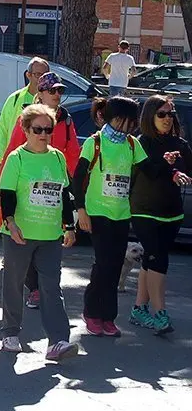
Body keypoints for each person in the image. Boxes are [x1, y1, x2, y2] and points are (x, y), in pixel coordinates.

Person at [0, 104, 79, 360]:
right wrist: (11, 223)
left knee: (51, 287)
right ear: (25, 129)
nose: (43, 134)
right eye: (37, 129)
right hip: (19, 233)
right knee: (14, 283)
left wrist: (70, 226)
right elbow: (7, 194)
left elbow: (65, 194)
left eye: (48, 129)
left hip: (50, 234)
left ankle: (58, 341)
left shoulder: (57, 157)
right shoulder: (17, 158)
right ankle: (10, 332)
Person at [74, 96, 147, 337]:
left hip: (121, 214)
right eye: (125, 120)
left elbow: (149, 169)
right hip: (98, 213)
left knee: (115, 266)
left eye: (132, 122)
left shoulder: (133, 144)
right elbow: (77, 179)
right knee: (104, 264)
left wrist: (171, 166)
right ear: (112, 118)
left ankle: (108, 317)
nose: (129, 126)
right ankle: (92, 312)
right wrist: (81, 210)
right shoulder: (94, 143)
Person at [130, 95, 192, 334]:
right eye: (162, 114)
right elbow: (148, 171)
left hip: (172, 213)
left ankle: (138, 308)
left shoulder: (180, 144)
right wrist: (166, 166)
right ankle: (160, 313)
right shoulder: (141, 143)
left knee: (153, 258)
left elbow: (184, 168)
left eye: (171, 114)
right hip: (144, 210)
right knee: (158, 258)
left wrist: (178, 173)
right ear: (150, 116)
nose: (167, 119)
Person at [0, 57, 50, 167]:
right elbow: (2, 132)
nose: (42, 79)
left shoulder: (51, 99)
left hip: (42, 160)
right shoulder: (14, 99)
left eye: (45, 75)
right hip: (16, 160)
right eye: (38, 74)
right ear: (28, 75)